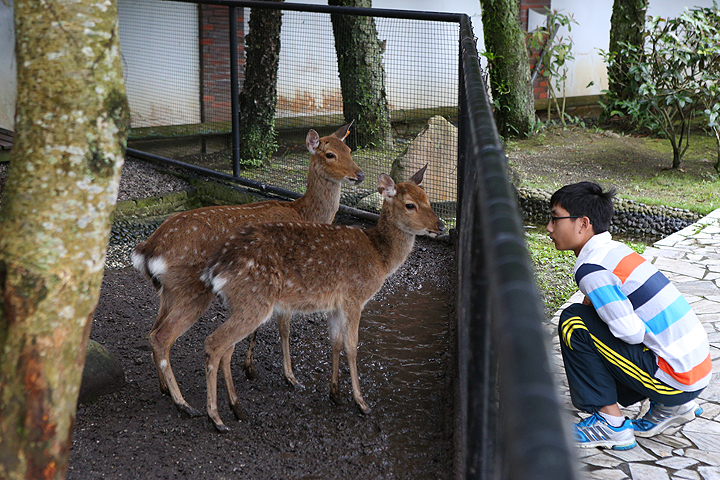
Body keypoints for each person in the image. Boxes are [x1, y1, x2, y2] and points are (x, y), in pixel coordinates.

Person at [546, 181, 712, 450]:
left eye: (555, 218)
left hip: (676, 379)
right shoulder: (616, 251)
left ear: (582, 223)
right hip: (696, 372)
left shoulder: (593, 268)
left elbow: (631, 332)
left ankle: (609, 425)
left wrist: (598, 313)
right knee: (593, 317)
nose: (549, 228)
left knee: (574, 321)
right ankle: (672, 407)